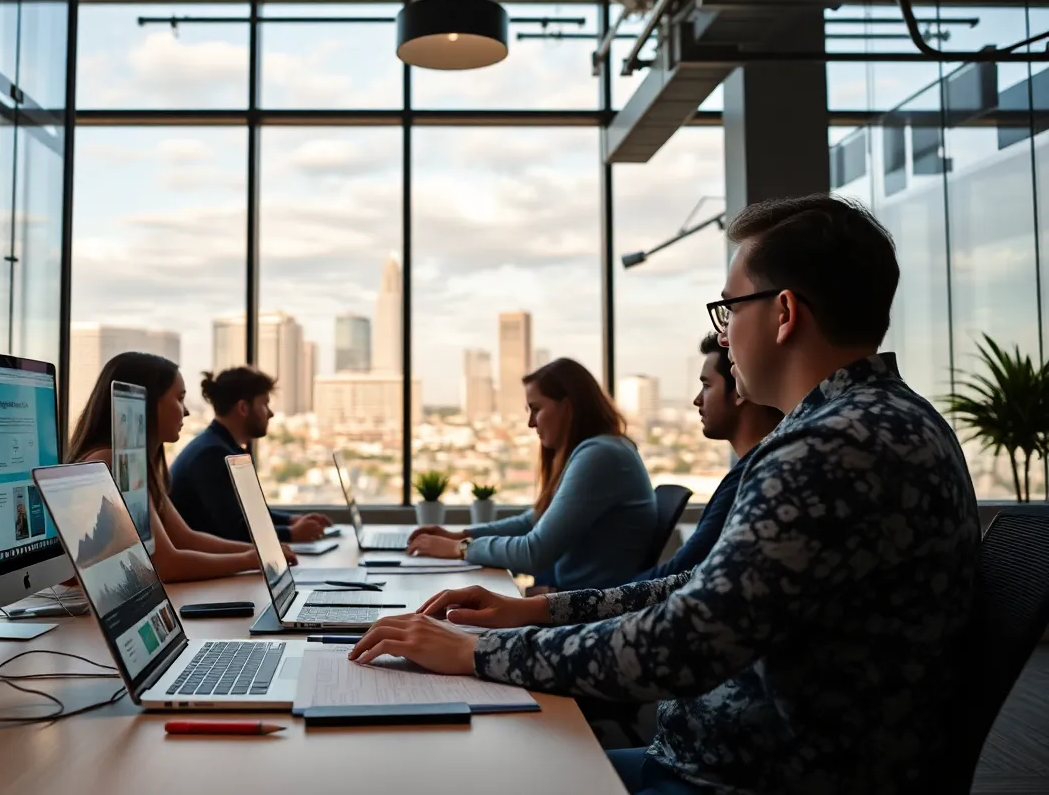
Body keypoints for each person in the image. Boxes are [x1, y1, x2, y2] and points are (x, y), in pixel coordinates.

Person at [348, 195, 980, 794]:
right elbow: (696, 590)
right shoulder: (875, 422)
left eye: (729, 309)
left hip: (738, 781)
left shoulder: (832, 446)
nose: (725, 335)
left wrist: (480, 652)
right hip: (734, 762)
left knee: (442, 772)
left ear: (784, 313)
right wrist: (530, 611)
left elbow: (679, 647)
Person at [407, 357, 659, 592]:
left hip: (592, 612)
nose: (531, 423)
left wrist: (458, 549)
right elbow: (533, 521)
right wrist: (463, 535)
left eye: (536, 409)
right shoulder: (600, 450)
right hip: (578, 598)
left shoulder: (601, 455)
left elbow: (533, 553)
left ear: (568, 407)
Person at [69, 352, 298, 584]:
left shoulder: (137, 465)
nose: (186, 411)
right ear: (146, 403)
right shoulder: (110, 462)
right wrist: (251, 558)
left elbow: (187, 539)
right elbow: (166, 565)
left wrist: (261, 551)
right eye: (179, 399)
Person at [632, 333, 783, 583]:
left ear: (739, 388)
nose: (697, 400)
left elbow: (679, 575)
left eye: (706, 385)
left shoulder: (749, 477)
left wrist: (576, 599)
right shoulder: (755, 467)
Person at [169, 367, 332, 544]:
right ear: (243, 408)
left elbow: (251, 515)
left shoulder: (222, 447)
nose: (270, 413)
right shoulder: (211, 455)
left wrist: (291, 521)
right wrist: (291, 533)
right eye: (264, 404)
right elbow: (233, 531)